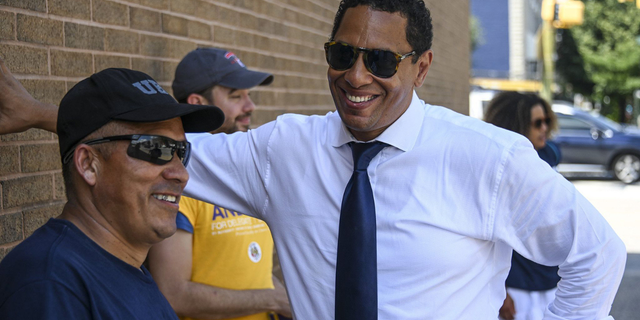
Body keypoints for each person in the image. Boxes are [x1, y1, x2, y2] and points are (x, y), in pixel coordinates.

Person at [0, 0, 627, 319]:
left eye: (381, 60)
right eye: (341, 54)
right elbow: (160, 147)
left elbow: (597, 255)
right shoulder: (286, 149)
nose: (356, 76)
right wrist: (36, 114)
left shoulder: (489, 160)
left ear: (422, 66)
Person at [0, 67, 225, 318]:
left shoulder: (124, 269)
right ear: (88, 164)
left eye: (181, 152)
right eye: (154, 147)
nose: (181, 174)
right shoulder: (50, 283)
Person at [146, 48, 292, 320]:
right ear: (198, 103)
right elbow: (173, 294)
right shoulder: (175, 181)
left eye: (249, 95)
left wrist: (289, 301)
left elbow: (247, 270)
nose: (250, 107)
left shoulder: (249, 173)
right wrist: (272, 299)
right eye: (236, 96)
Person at [484, 92, 563, 320]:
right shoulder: (498, 172)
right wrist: (503, 292)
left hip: (551, 281)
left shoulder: (549, 157)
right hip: (517, 288)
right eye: (537, 123)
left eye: (547, 120)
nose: (545, 128)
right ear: (516, 124)